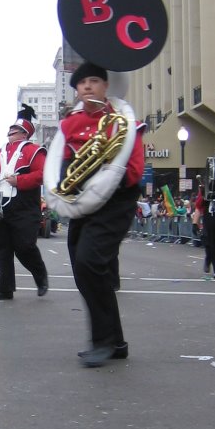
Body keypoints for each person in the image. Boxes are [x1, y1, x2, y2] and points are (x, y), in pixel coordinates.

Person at [54, 63, 146, 367]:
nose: (88, 87)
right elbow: (62, 161)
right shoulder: (70, 124)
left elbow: (132, 168)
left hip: (116, 199)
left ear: (106, 86)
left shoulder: (121, 119)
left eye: (94, 81)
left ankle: (103, 342)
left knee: (90, 262)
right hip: (82, 200)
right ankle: (114, 341)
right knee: (86, 272)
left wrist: (104, 178)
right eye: (82, 83)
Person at [0, 104, 48, 301]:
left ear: (25, 133)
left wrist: (19, 181)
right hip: (0, 205)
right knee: (1, 248)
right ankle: (5, 289)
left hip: (25, 205)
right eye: (11, 130)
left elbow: (42, 174)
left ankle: (40, 274)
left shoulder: (35, 151)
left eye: (16, 130)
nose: (11, 132)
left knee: (24, 245)